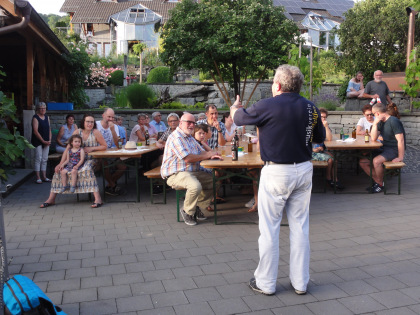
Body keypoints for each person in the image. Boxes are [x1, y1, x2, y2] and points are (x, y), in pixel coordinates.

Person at [230, 65, 325, 296]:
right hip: (303, 169)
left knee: (270, 229)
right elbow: (319, 138)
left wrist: (234, 107)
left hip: (276, 172)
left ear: (278, 85)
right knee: (300, 227)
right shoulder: (311, 107)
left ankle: (266, 283)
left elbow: (240, 118)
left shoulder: (267, 105)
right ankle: (301, 283)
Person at [161, 113, 222, 226]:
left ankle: (195, 206)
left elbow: (201, 152)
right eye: (188, 122)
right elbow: (188, 158)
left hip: (192, 172)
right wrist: (207, 155)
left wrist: (211, 154)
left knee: (215, 181)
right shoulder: (176, 137)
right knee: (195, 186)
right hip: (175, 174)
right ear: (181, 123)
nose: (191, 125)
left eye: (193, 123)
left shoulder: (189, 137)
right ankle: (187, 211)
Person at [40, 114, 107, 208]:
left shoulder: (95, 132)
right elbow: (67, 149)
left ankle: (98, 199)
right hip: (74, 161)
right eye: (88, 121)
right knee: (58, 171)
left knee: (87, 170)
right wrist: (60, 164)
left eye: (92, 122)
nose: (90, 124)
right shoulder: (77, 132)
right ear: (83, 122)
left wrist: (92, 148)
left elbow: (104, 146)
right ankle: (51, 199)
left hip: (91, 159)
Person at [359, 103, 405, 193]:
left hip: (393, 149)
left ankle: (379, 184)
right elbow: (373, 138)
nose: (372, 116)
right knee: (363, 161)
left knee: (376, 161)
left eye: (373, 114)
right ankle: (379, 182)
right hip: (384, 147)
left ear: (377, 114)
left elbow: (401, 140)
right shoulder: (380, 122)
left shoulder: (393, 121)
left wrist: (400, 157)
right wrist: (375, 124)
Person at [312, 108, 344, 190]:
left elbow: (329, 139)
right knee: (330, 159)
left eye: (325, 117)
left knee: (335, 159)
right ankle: (328, 178)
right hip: (311, 152)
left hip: (321, 150)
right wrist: (312, 149)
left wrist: (326, 127)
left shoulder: (324, 127)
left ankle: (335, 179)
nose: (323, 119)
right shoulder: (312, 127)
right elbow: (304, 141)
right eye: (321, 117)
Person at [97, 108, 126, 195]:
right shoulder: (96, 125)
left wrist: (113, 130)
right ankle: (113, 186)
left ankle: (110, 185)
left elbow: (118, 145)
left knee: (123, 167)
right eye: (108, 117)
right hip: (97, 154)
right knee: (104, 163)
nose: (110, 119)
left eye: (112, 117)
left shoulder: (115, 127)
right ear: (103, 116)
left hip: (109, 153)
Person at [31, 102, 52, 184]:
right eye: (41, 108)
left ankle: (44, 176)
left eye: (44, 108)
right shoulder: (35, 118)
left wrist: (49, 140)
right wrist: (42, 141)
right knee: (38, 158)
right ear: (38, 109)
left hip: (47, 141)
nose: (43, 110)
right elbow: (35, 131)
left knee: (44, 159)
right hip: (38, 141)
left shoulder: (47, 117)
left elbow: (49, 129)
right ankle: (38, 177)